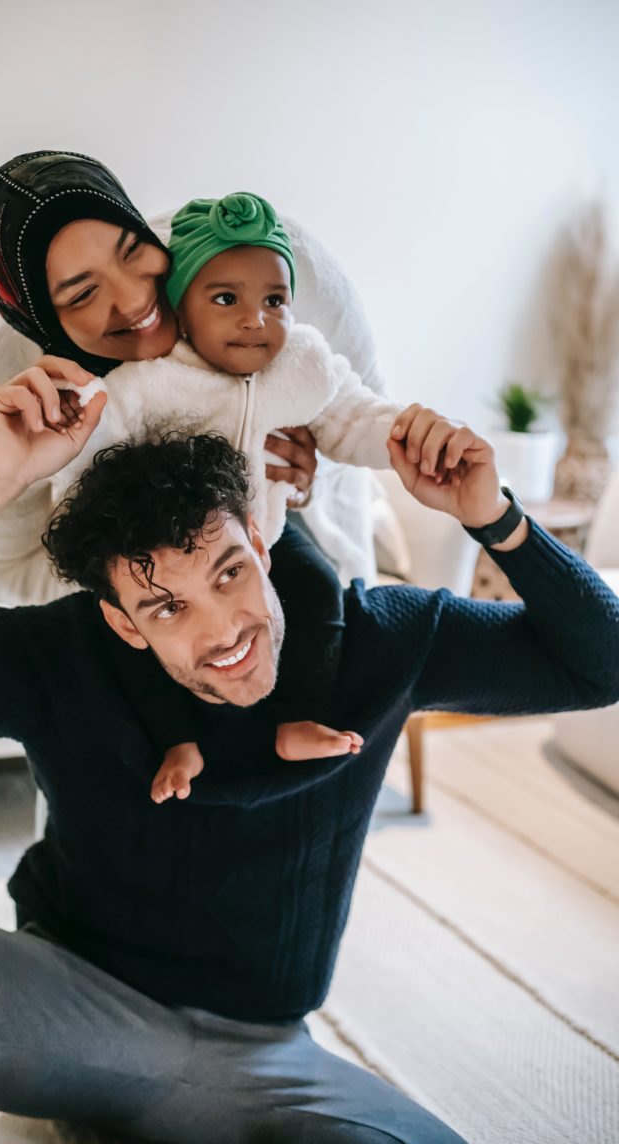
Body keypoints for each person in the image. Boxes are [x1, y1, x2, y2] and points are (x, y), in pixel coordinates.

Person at [0, 372, 617, 1144]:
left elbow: (603, 662)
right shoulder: (57, 652)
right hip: (77, 1023)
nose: (223, 631)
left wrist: (495, 518)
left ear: (259, 538)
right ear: (121, 621)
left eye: (228, 573)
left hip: (265, 1057)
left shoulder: (384, 639)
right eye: (167, 607)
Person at [56, 190, 402, 800]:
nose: (255, 319)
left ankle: (296, 717)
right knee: (141, 632)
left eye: (275, 301)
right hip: (167, 553)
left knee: (319, 585)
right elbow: (83, 470)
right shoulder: (146, 384)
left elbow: (354, 418)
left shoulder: (300, 365)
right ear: (181, 311)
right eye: (226, 300)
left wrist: (412, 436)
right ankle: (177, 740)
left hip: (262, 530)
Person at [0, 150, 388, 610]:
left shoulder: (269, 260)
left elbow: (363, 407)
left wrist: (306, 474)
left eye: (132, 250)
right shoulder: (7, 380)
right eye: (83, 293)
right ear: (42, 324)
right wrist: (145, 581)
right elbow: (6, 570)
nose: (136, 297)